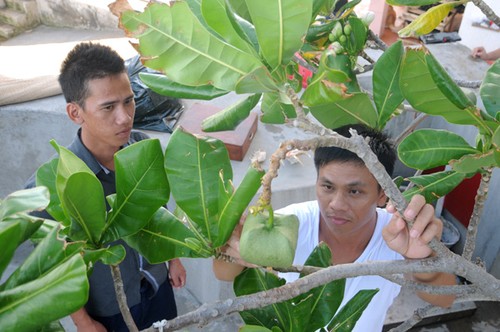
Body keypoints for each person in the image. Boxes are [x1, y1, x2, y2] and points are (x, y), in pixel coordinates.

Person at [213, 123, 456, 332]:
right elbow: (224, 275)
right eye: (327, 187)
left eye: (354, 191)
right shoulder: (289, 223)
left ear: (383, 194)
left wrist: (424, 259)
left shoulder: (398, 237)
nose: (337, 205)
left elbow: (446, 300)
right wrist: (233, 243)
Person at [25, 42, 186, 332]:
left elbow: (157, 212)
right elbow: (53, 266)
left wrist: (172, 259)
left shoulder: (141, 149)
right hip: (108, 310)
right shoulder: (54, 186)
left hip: (156, 285)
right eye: (108, 107)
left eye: (129, 100)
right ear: (76, 113)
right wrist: (83, 322)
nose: (125, 117)